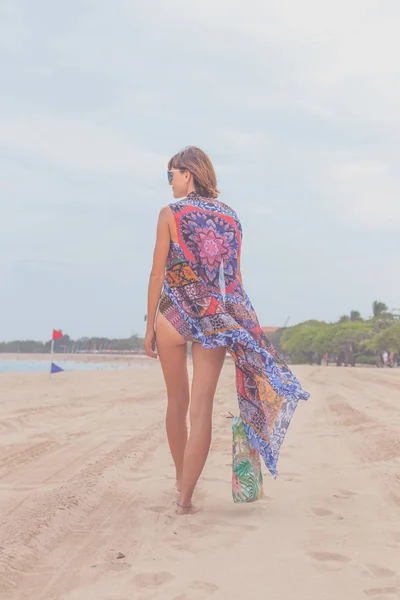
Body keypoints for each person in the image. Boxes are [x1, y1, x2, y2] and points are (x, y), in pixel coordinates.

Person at [144, 146, 309, 515]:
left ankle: (178, 477)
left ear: (188, 174)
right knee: (200, 409)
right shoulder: (232, 218)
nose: (169, 181)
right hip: (216, 317)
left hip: (175, 312)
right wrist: (239, 322)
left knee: (178, 403)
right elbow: (232, 280)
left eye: (170, 174)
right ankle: (185, 498)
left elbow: (157, 273)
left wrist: (149, 324)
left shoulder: (169, 213)